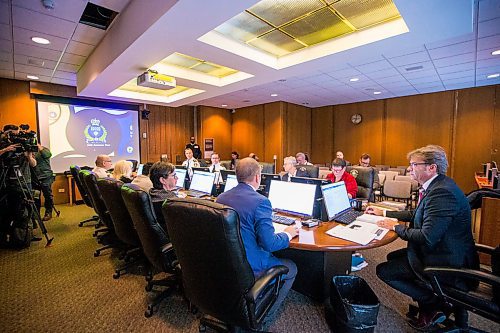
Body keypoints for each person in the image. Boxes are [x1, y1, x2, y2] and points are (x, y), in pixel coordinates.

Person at [366, 145, 479, 331]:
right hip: (444, 250)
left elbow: (427, 237)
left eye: (414, 165)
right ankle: (431, 305)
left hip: (448, 261)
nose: (409, 169)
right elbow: (417, 214)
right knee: (391, 257)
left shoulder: (442, 193)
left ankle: (434, 303)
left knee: (384, 271)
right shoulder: (439, 185)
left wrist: (394, 227)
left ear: (431, 167)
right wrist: (384, 212)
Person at [216, 157, 298, 319]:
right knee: (292, 267)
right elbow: (270, 244)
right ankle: (261, 317)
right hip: (251, 266)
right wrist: (289, 232)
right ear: (257, 177)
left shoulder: (221, 198)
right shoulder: (261, 202)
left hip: (225, 262)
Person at [148, 161, 180, 230]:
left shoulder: (151, 194)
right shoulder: (171, 202)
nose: (177, 178)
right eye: (174, 175)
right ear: (163, 180)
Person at [33, 143, 55, 221]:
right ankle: (36, 213)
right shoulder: (29, 151)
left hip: (46, 176)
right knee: (36, 196)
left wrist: (39, 147)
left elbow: (47, 155)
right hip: (35, 177)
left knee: (47, 195)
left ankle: (48, 212)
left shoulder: (44, 149)